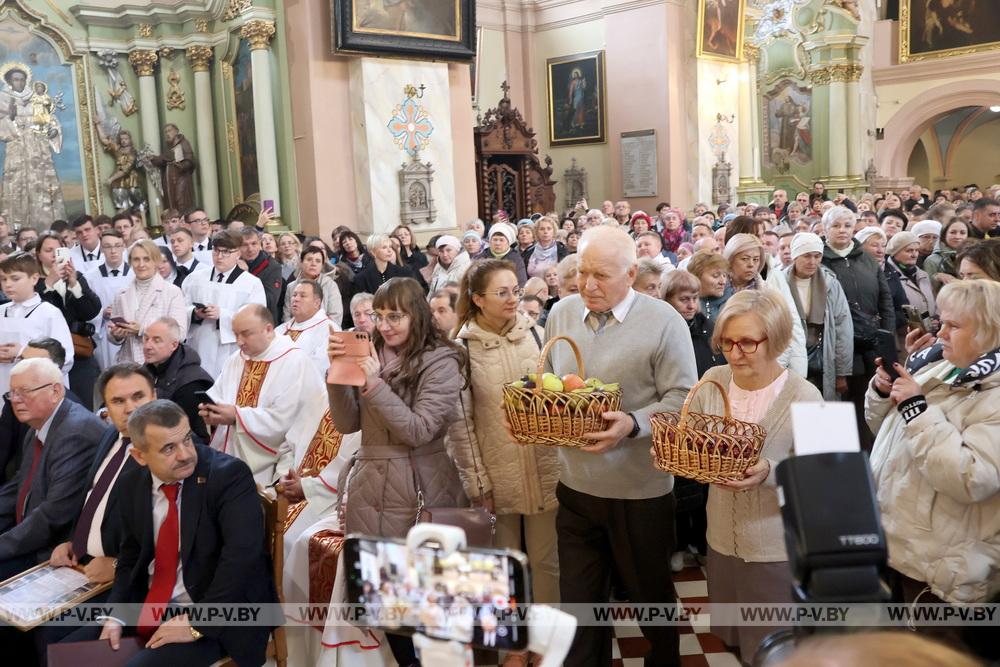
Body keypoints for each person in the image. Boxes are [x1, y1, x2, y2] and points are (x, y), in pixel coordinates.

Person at [544, 225, 696, 667]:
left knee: (651, 600)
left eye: (601, 275)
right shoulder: (562, 313)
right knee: (579, 606)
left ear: (631, 274)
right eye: (582, 272)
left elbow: (683, 399)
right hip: (575, 487)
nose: (587, 285)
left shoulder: (664, 321)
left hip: (639, 492)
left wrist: (632, 423)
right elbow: (552, 384)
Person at [327, 277, 468, 667]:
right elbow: (347, 423)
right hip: (372, 488)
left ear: (416, 315)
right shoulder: (371, 351)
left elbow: (420, 430)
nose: (385, 325)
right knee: (385, 605)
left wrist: (373, 383)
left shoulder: (442, 360)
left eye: (395, 316)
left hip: (419, 486)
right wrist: (337, 374)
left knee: (424, 604)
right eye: (379, 316)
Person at [73, 400, 278, 666]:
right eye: (169, 448)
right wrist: (116, 615)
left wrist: (197, 623)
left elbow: (241, 561)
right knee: (67, 652)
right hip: (151, 603)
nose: (185, 454)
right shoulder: (130, 483)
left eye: (187, 439)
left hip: (219, 612)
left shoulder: (229, 476)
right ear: (140, 456)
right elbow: (130, 556)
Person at [683, 289, 822, 660]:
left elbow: (824, 481)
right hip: (720, 541)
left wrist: (770, 472)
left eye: (747, 343)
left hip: (773, 550)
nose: (734, 354)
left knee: (774, 649)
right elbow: (692, 441)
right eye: (727, 342)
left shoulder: (807, 396)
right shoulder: (712, 381)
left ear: (775, 341)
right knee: (732, 642)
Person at [866, 280, 1000, 625]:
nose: (940, 333)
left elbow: (972, 478)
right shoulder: (940, 364)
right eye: (941, 322)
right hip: (899, 549)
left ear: (989, 331)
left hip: (942, 572)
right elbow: (886, 430)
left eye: (954, 325)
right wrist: (883, 391)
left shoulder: (994, 393)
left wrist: (917, 409)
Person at [446, 259, 560, 610]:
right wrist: (478, 483)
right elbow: (461, 425)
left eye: (516, 291)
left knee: (546, 563)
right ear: (478, 299)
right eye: (502, 293)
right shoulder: (462, 348)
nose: (513, 299)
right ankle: (509, 636)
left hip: (543, 467)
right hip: (496, 474)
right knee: (502, 568)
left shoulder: (537, 335)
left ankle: (547, 634)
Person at [0, 358, 104, 579]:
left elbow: (54, 515)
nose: (15, 400)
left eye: (24, 391)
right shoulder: (39, 424)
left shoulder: (75, 432)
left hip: (55, 550)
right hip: (30, 534)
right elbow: (19, 484)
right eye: (12, 393)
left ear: (55, 391)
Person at [203, 304, 327, 486]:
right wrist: (213, 412)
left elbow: (289, 421)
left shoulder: (294, 362)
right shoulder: (237, 359)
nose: (239, 342)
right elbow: (218, 396)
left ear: (268, 330)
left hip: (268, 465)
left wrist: (237, 416)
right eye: (235, 334)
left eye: (245, 334)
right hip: (227, 455)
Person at [821, 205, 895, 450]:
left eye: (847, 225)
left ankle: (869, 456)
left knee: (868, 406)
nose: (842, 230)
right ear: (825, 229)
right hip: (836, 345)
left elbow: (885, 300)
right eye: (836, 226)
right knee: (840, 408)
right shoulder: (819, 259)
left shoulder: (866, 258)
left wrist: (886, 340)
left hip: (870, 345)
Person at [182, 230, 267, 377]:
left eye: (226, 252)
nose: (219, 256)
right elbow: (180, 309)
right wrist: (194, 313)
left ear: (238, 254)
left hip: (230, 348)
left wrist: (222, 314)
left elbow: (256, 320)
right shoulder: (194, 279)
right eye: (216, 250)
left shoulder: (251, 283)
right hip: (199, 345)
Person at [723, 234, 808, 376]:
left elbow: (784, 332)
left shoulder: (768, 293)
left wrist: (770, 368)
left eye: (756, 259)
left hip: (761, 369)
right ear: (730, 259)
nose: (751, 264)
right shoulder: (717, 290)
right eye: (744, 259)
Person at [783, 233, 854, 400]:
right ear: (795, 256)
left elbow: (842, 328)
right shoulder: (780, 282)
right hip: (789, 356)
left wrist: (841, 372)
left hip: (823, 356)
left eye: (817, 256)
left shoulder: (830, 284)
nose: (812, 262)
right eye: (807, 256)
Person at [35, 232, 103, 406]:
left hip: (79, 352)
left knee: (83, 404)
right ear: (38, 255)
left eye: (58, 250)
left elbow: (91, 312)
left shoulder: (76, 277)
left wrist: (74, 283)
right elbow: (37, 314)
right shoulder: (34, 282)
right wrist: (48, 284)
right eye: (48, 250)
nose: (54, 255)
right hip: (47, 355)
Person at [0, 253, 74, 400]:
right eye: (3, 279)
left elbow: (65, 358)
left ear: (34, 278)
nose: (8, 284)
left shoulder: (49, 313)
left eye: (15, 278)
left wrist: (22, 352)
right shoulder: (1, 311)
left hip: (38, 392)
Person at [108, 240, 188, 364]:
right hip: (127, 363)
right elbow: (113, 335)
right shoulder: (121, 294)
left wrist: (142, 330)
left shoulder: (172, 292)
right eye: (136, 259)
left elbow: (180, 334)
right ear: (130, 262)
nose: (141, 264)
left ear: (156, 261)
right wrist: (116, 335)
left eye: (146, 259)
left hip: (159, 365)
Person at [142, 317, 213, 442]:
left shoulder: (191, 382)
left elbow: (181, 429)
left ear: (174, 345)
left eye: (156, 340)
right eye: (146, 338)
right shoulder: (147, 370)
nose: (147, 346)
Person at [84, 231, 132, 370]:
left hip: (131, 333)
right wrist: (102, 314)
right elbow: (86, 312)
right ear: (101, 249)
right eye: (108, 246)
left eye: (117, 245)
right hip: (104, 335)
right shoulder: (90, 278)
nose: (113, 251)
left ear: (124, 247)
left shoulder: (135, 274)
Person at [885, 231, 937, 347]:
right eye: (909, 251)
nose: (914, 255)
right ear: (895, 252)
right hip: (904, 341)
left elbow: (934, 301)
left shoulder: (923, 275)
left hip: (928, 338)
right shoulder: (887, 277)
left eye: (916, 250)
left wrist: (935, 319)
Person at [276, 279, 338, 373]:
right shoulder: (280, 330)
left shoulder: (330, 330)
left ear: (316, 303)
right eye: (294, 295)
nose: (296, 299)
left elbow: (319, 369)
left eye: (303, 296)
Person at [282, 245, 344, 326]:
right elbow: (287, 315)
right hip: (296, 330)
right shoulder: (291, 287)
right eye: (309, 259)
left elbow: (336, 315)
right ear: (301, 263)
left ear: (322, 266)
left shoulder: (330, 285)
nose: (313, 264)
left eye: (318, 261)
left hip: (323, 330)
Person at [239, 227, 284, 325]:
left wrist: (245, 276)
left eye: (254, 244)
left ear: (260, 244)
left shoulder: (272, 266)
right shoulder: (232, 264)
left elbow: (270, 301)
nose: (250, 249)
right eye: (245, 245)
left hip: (262, 322)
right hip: (236, 320)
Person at [924, 218, 971, 291]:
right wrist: (936, 278)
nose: (957, 236)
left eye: (962, 233)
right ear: (944, 234)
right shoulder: (932, 260)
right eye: (952, 232)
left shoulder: (975, 257)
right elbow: (928, 289)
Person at [687, 250, 731, 322]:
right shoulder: (685, 305)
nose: (723, 282)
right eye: (715, 276)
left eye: (724, 275)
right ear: (696, 276)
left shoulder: (732, 304)